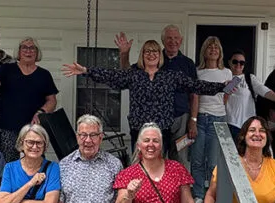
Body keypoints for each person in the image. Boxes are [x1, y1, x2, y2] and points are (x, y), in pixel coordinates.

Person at [63, 40, 228, 156]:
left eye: (155, 51)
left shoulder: (170, 76)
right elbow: (111, 76)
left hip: (161, 130)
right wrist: (86, 70)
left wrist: (222, 87)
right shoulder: (134, 74)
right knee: (138, 165)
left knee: (159, 164)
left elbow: (196, 85)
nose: (151, 54)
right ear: (142, 55)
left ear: (159, 55)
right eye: (147, 51)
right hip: (139, 130)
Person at [117, 26, 197, 165]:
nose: (173, 41)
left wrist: (193, 120)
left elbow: (195, 93)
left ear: (181, 40)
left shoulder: (188, 63)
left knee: (180, 160)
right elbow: (127, 76)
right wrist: (124, 55)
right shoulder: (154, 59)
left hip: (180, 119)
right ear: (163, 41)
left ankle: (177, 187)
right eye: (169, 38)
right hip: (157, 120)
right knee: (155, 159)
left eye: (176, 38)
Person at [0, 36, 58, 163]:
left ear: (37, 52)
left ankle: (34, 184)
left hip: (33, 128)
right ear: (18, 52)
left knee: (35, 162)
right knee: (10, 163)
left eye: (32, 48)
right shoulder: (7, 69)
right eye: (24, 48)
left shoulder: (44, 75)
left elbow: (52, 100)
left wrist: (41, 112)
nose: (28, 51)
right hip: (8, 127)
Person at [189, 36, 231, 203]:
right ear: (204, 51)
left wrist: (219, 110)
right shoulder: (198, 72)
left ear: (220, 52)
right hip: (200, 118)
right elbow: (195, 97)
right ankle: (199, 194)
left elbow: (226, 96)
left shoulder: (227, 72)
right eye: (209, 47)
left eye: (216, 47)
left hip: (218, 120)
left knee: (213, 162)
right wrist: (193, 119)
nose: (213, 50)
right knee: (197, 159)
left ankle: (212, 196)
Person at [225, 50, 275, 141]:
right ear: (229, 62)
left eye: (242, 63)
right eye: (235, 62)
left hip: (247, 126)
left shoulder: (249, 78)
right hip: (229, 124)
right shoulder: (224, 77)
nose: (238, 65)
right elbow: (222, 98)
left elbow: (265, 91)